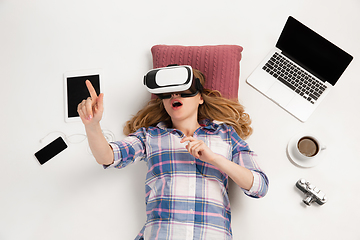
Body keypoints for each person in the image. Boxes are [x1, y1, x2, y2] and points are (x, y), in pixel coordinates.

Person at [77, 67, 269, 240]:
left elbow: (259, 186)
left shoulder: (225, 135)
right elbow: (108, 156)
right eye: (167, 92)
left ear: (200, 97)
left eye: (183, 90)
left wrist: (214, 158)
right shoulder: (150, 137)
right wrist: (92, 126)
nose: (174, 95)